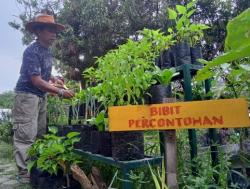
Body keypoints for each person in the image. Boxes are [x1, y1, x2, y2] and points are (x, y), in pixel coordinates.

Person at [12, 14, 74, 183]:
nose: (54, 34)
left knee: (39, 133)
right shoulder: (31, 51)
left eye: (55, 30)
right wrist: (60, 92)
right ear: (38, 31)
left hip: (40, 96)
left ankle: (35, 169)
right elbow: (36, 80)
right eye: (49, 30)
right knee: (26, 134)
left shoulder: (47, 51)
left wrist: (54, 79)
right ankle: (24, 173)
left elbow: (43, 74)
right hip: (27, 96)